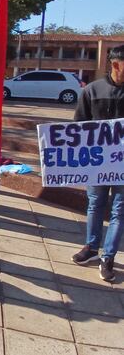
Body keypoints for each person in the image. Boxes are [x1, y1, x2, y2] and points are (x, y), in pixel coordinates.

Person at [71, 44, 124, 282]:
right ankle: (91, 248)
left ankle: (108, 256)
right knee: (95, 204)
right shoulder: (92, 90)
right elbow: (78, 126)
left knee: (119, 210)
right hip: (97, 163)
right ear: (116, 65)